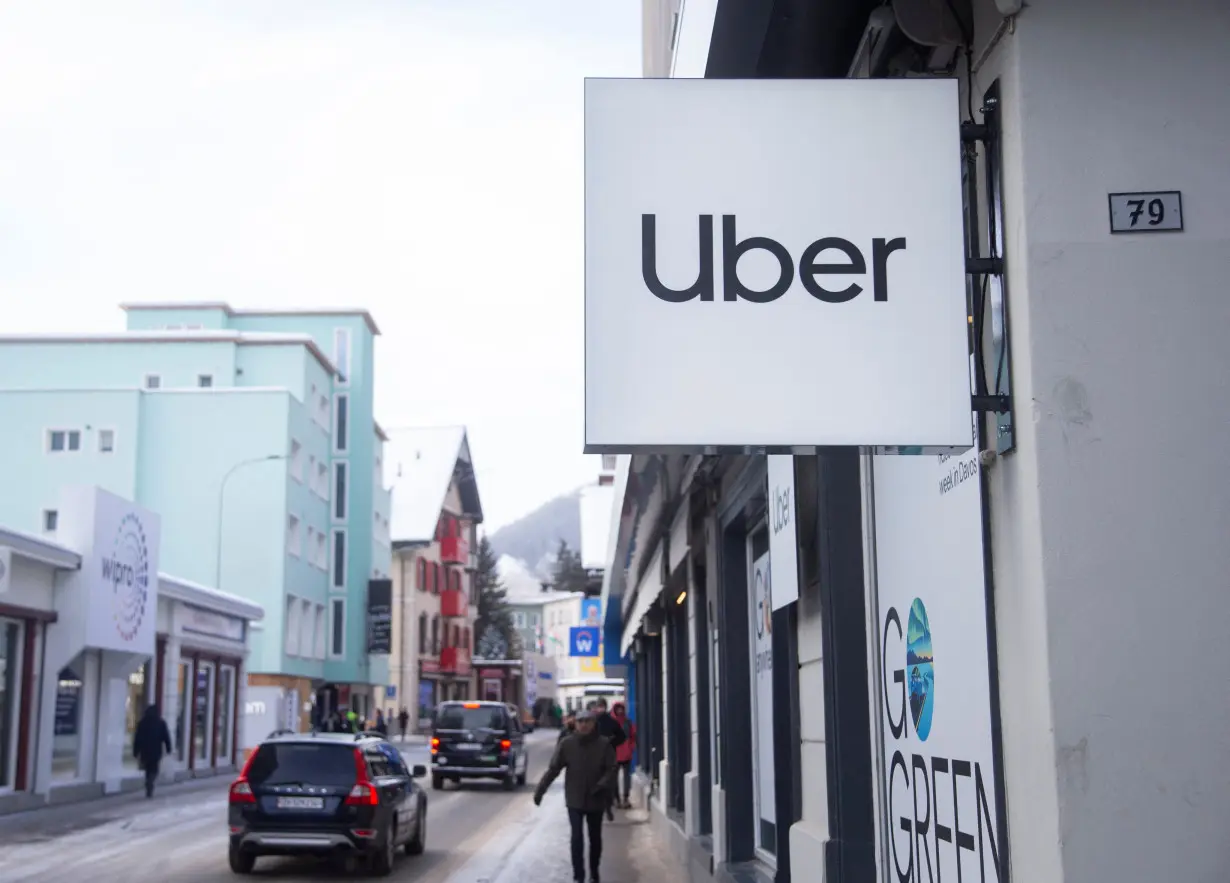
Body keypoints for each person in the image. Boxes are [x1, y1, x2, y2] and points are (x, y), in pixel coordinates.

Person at [534, 710, 616, 883]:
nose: (584, 725)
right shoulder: (567, 744)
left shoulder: (604, 744)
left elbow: (612, 769)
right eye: (580, 721)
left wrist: (602, 784)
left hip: (596, 798)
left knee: (595, 838)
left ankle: (594, 873)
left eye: (587, 721)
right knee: (576, 837)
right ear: (575, 724)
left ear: (594, 724)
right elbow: (554, 769)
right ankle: (578, 876)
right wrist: (540, 790)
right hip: (575, 797)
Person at [590, 697, 625, 820]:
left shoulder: (611, 722)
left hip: (609, 757)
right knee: (597, 782)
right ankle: (599, 807)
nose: (600, 709)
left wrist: (612, 743)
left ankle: (608, 807)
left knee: (609, 783)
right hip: (595, 757)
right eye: (598, 706)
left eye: (602, 706)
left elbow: (622, 736)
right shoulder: (592, 722)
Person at [132, 704, 173, 799]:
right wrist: (168, 748)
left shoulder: (142, 723)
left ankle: (148, 783)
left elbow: (137, 738)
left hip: (145, 750)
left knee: (147, 768)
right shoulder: (161, 723)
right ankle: (150, 782)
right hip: (156, 750)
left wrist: (136, 751)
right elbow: (166, 737)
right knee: (154, 769)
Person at [610, 702, 636, 809]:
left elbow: (633, 735)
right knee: (613, 778)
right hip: (614, 754)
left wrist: (631, 748)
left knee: (626, 777)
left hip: (626, 754)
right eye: (618, 709)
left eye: (621, 709)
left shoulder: (628, 722)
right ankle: (616, 798)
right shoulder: (611, 723)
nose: (620, 711)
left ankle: (625, 798)